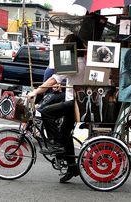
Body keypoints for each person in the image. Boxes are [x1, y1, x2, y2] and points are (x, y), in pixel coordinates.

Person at [27, 34, 86, 183]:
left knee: (46, 111)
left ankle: (56, 144)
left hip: (73, 104)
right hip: (80, 103)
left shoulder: (72, 63)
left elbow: (53, 79)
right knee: (65, 134)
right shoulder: (86, 60)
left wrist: (35, 91)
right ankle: (72, 169)